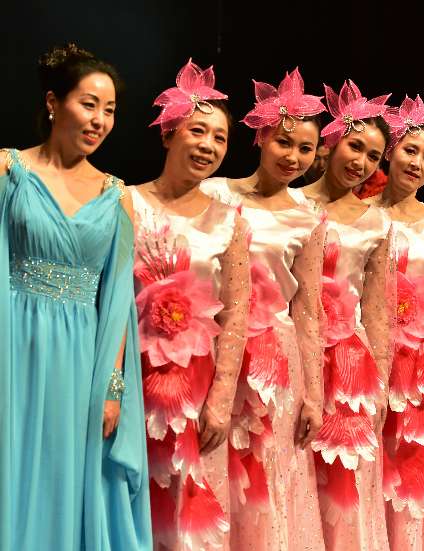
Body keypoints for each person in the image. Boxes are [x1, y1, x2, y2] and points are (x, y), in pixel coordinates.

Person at [0, 43, 151, 550]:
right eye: (89, 104)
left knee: (65, 473)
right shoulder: (8, 171)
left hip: (81, 356)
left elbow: (118, 298)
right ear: (53, 102)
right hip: (13, 341)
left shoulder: (116, 195)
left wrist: (113, 387)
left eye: (110, 110)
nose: (100, 120)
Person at [200, 67, 328, 550]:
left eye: (305, 149)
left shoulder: (309, 216)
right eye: (284, 143)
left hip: (275, 356)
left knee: (262, 474)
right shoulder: (216, 193)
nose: (293, 157)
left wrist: (314, 393)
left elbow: (309, 309)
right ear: (261, 138)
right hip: (213, 343)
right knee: (211, 459)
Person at [132, 59, 250, 550]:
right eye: (197, 131)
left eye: (219, 138)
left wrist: (220, 402)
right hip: (132, 370)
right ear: (167, 135)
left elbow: (237, 313)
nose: (208, 145)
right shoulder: (125, 202)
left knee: (187, 500)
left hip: (196, 380)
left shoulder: (230, 220)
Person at [297, 79, 394, 550]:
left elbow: (377, 310)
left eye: (373, 156)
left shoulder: (377, 222)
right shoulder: (292, 205)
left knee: (341, 480)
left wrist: (382, 383)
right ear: (331, 141)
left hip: (348, 364)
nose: (362, 162)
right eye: (355, 147)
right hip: (292, 348)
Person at [365, 95, 424, 550]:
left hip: (418, 362)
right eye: (410, 150)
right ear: (389, 151)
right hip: (363, 351)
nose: (417, 163)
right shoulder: (361, 215)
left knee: (408, 460)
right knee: (367, 457)